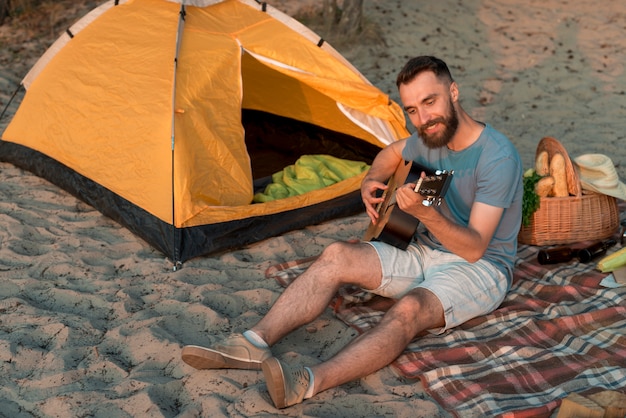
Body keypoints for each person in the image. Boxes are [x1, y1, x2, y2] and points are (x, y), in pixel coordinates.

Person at [181, 55, 523, 409]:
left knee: (409, 309)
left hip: (481, 267)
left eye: (430, 102)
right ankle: (252, 343)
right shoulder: (428, 137)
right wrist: (372, 179)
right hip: (424, 248)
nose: (422, 119)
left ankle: (307, 382)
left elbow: (474, 249)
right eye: (412, 110)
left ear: (453, 92)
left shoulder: (496, 157)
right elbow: (391, 153)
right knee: (337, 255)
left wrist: (427, 215)